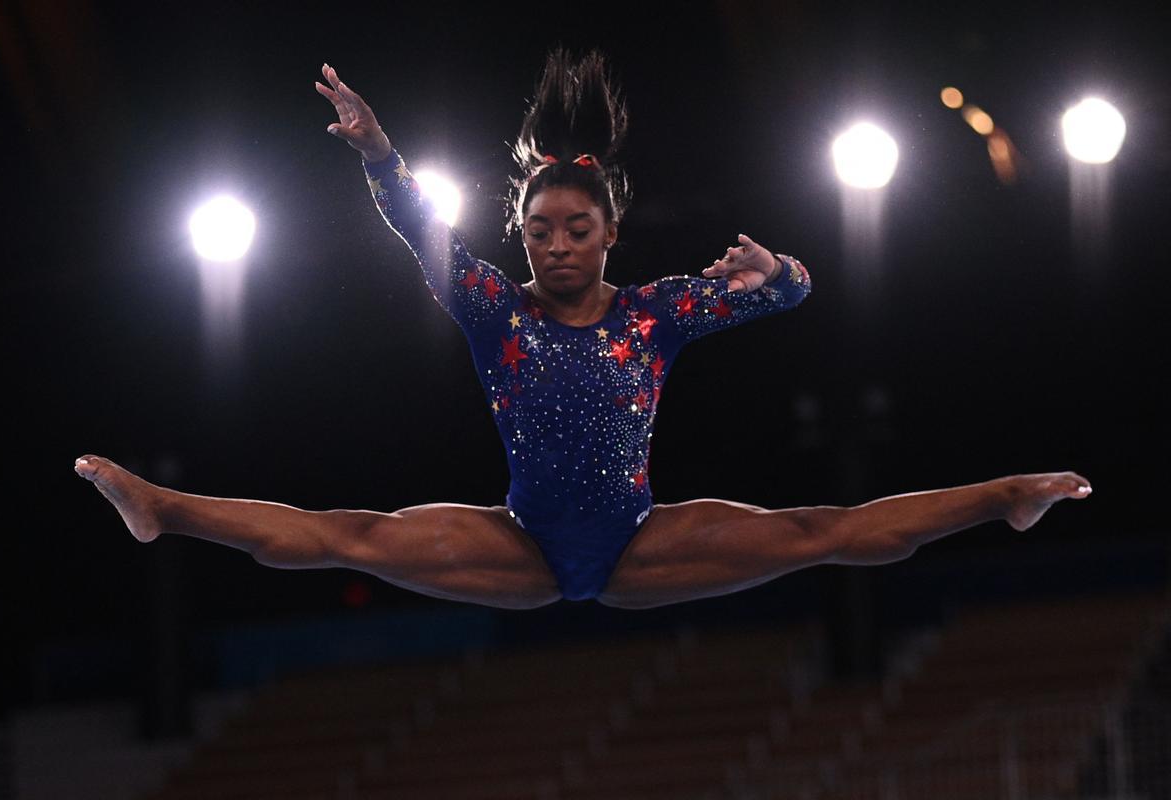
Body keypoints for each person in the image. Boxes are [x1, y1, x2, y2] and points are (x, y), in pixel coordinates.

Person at [74, 52, 1092, 611]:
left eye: (574, 230)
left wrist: (775, 270)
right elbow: (415, 228)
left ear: (610, 234)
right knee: (351, 532)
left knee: (817, 529)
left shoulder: (655, 312)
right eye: (537, 231)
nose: (553, 246)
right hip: (517, 543)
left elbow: (795, 295)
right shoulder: (491, 308)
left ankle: (1004, 497)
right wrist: (378, 152)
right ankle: (163, 505)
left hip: (642, 543)